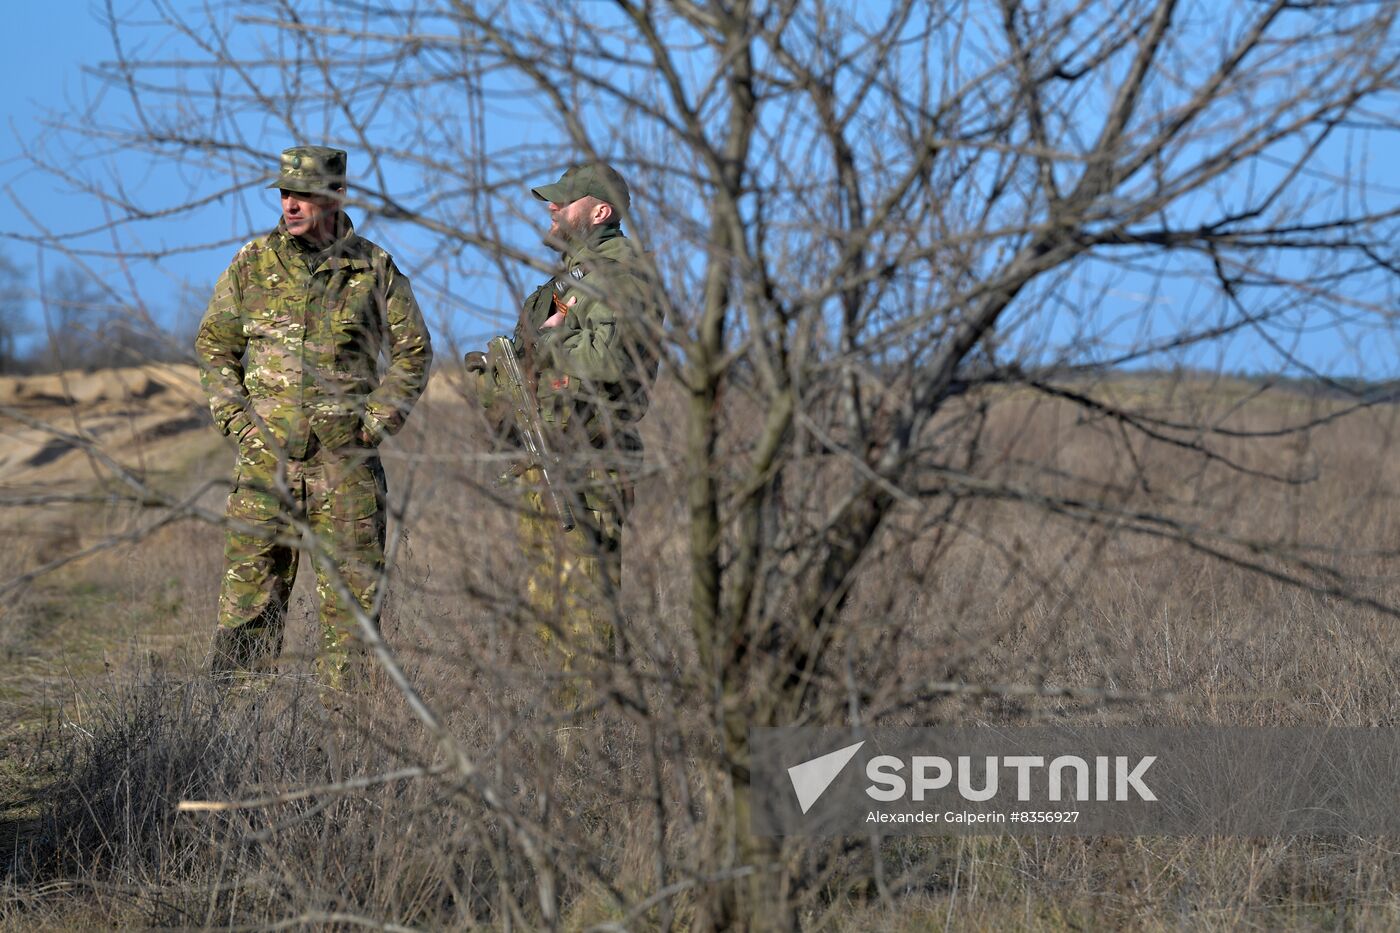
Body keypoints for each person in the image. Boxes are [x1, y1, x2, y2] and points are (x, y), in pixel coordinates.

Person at [195, 145, 433, 691]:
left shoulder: (371, 267)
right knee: (249, 609)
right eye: (285, 193)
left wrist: (372, 426)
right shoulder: (252, 264)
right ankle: (231, 741)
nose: (291, 205)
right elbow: (214, 348)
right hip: (265, 468)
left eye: (304, 194)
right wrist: (241, 426)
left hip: (344, 472)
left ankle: (348, 745)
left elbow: (414, 352)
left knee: (351, 618)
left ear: (335, 196)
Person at [469, 162, 662, 699]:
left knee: (584, 619)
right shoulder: (570, 279)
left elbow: (612, 358)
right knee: (548, 618)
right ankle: (557, 755)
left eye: (564, 201)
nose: (551, 209)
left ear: (600, 212)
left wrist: (543, 346)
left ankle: (582, 753)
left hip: (587, 466)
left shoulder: (620, 275)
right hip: (544, 458)